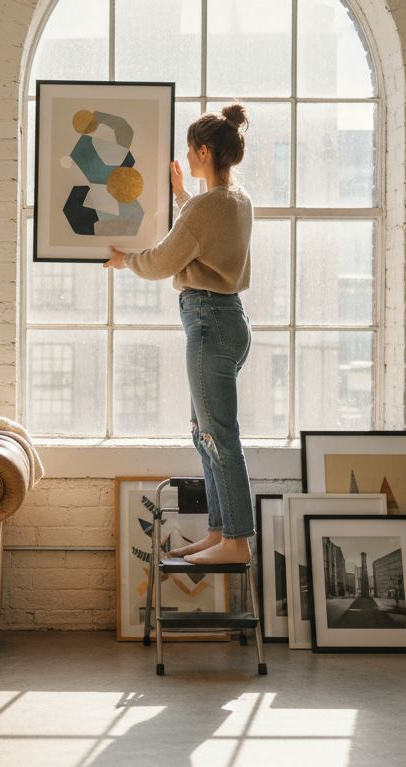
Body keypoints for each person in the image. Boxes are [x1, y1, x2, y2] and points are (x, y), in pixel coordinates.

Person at [104, 104, 254, 566]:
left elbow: (164, 259)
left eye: (190, 149)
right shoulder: (237, 199)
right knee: (205, 434)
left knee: (219, 437)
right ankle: (219, 532)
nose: (186, 155)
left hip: (208, 324)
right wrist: (181, 194)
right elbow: (203, 230)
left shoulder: (207, 206)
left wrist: (123, 260)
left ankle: (236, 541)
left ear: (204, 151)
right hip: (226, 321)